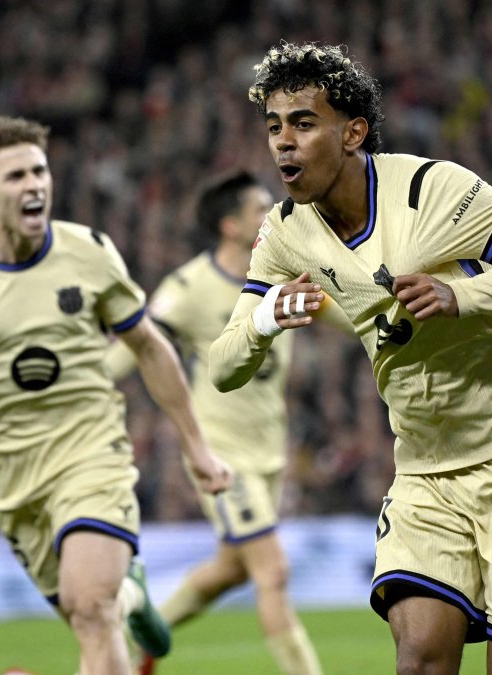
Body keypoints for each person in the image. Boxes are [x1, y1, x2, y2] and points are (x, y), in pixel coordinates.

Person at [209, 42, 492, 675]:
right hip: (425, 467)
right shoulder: (285, 231)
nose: (283, 142)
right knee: (421, 663)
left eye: (303, 122)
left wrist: (465, 293)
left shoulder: (430, 190)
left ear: (354, 133)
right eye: (273, 127)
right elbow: (223, 368)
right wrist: (265, 320)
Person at [0, 115, 232, 675]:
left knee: (89, 608)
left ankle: (118, 597)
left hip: (90, 453)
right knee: (94, 621)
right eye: (16, 176)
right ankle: (132, 596)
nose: (34, 184)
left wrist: (196, 447)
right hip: (8, 480)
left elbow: (151, 348)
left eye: (40, 171)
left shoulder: (89, 252)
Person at [105, 171, 323, 675]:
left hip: (270, 451)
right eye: (258, 211)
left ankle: (142, 623)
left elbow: (339, 309)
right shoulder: (189, 285)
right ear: (229, 226)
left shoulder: (282, 270)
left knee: (230, 571)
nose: (271, 217)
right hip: (223, 455)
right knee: (273, 572)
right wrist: (89, 382)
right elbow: (140, 344)